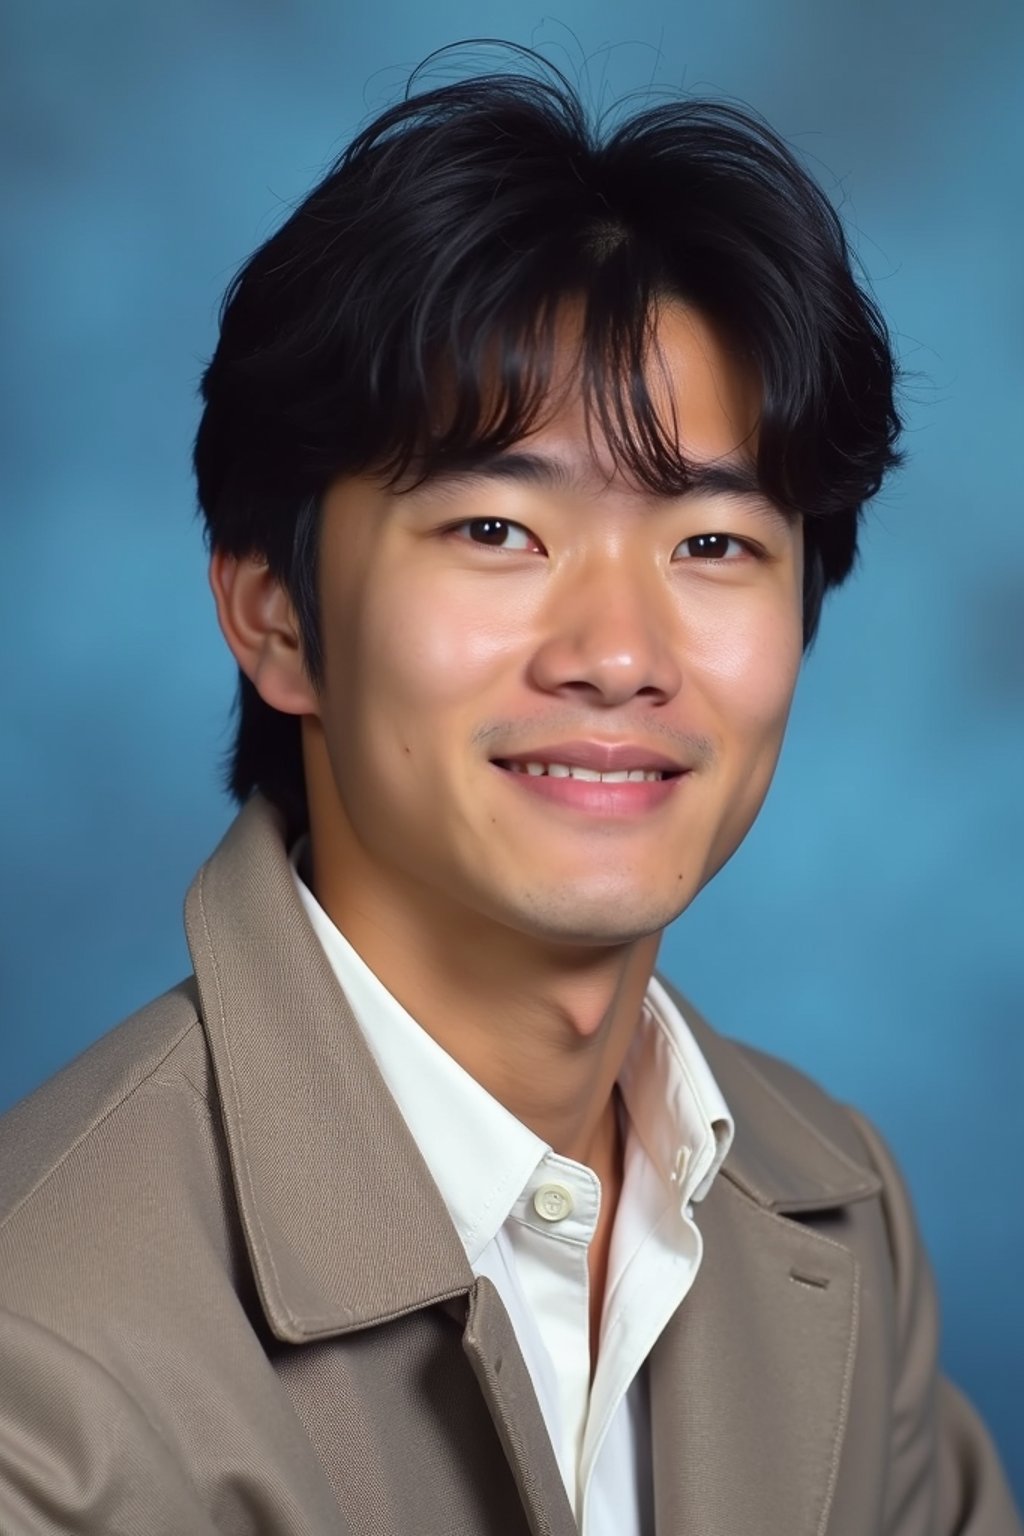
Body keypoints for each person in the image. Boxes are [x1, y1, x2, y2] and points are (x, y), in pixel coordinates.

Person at [0, 52, 1018, 1536]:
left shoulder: (839, 1214)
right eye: (496, 527)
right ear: (277, 615)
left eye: (716, 544)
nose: (618, 653)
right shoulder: (49, 1354)